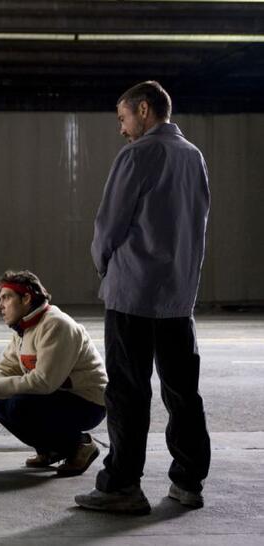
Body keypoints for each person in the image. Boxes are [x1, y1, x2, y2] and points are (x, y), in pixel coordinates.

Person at [76, 81, 211, 514]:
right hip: (177, 297)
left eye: (123, 118)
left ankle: (122, 487)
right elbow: (198, 224)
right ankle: (188, 482)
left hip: (133, 293)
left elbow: (109, 224)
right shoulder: (194, 157)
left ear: (145, 110)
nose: (122, 129)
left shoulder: (137, 155)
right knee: (182, 392)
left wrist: (104, 265)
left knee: (128, 393)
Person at [0, 270, 108, 477]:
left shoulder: (57, 325)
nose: (0, 306)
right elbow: (9, 366)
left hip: (88, 402)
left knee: (20, 405)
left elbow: (44, 382)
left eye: (6, 298)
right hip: (57, 396)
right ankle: (50, 450)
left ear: (26, 298)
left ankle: (80, 446)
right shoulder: (24, 327)